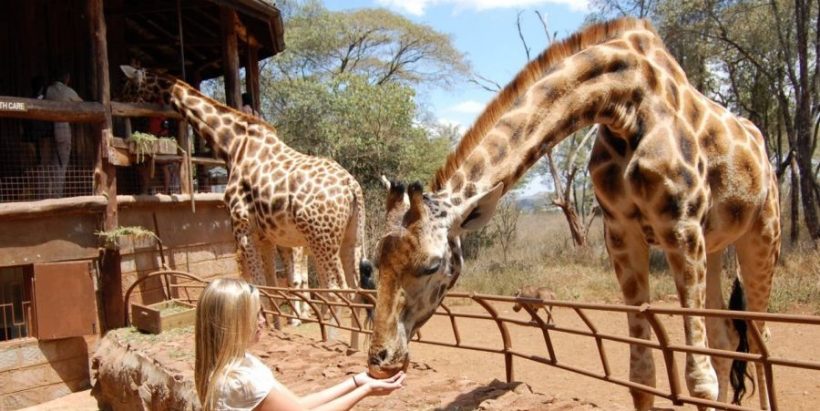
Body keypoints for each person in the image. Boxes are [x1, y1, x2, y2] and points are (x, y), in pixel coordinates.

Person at [195, 278, 405, 411]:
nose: (262, 321)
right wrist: (365, 390)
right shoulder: (240, 381)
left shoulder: (240, 364)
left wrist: (356, 382)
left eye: (262, 313)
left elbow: (299, 405)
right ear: (233, 322)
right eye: (255, 314)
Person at [45, 70, 82, 197]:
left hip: (49, 129)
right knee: (63, 163)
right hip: (63, 126)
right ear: (66, 78)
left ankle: (50, 193)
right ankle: (58, 194)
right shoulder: (68, 91)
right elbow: (82, 105)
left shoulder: (49, 90)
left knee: (53, 162)